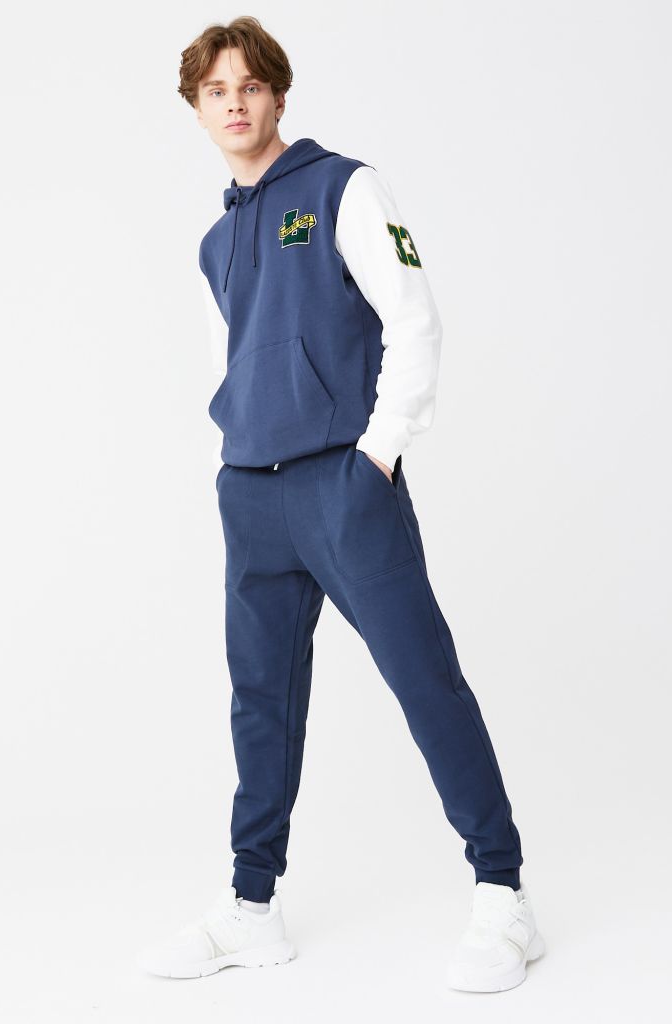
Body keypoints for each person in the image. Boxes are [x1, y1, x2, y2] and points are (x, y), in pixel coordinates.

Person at [140, 16, 544, 992]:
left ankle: (503, 893)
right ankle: (251, 905)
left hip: (342, 485)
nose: (234, 103)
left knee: (423, 678)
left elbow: (414, 320)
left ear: (277, 94)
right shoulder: (215, 240)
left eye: (249, 85)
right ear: (196, 109)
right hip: (253, 494)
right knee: (260, 703)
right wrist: (228, 461)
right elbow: (233, 361)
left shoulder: (342, 189)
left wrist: (377, 455)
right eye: (214, 91)